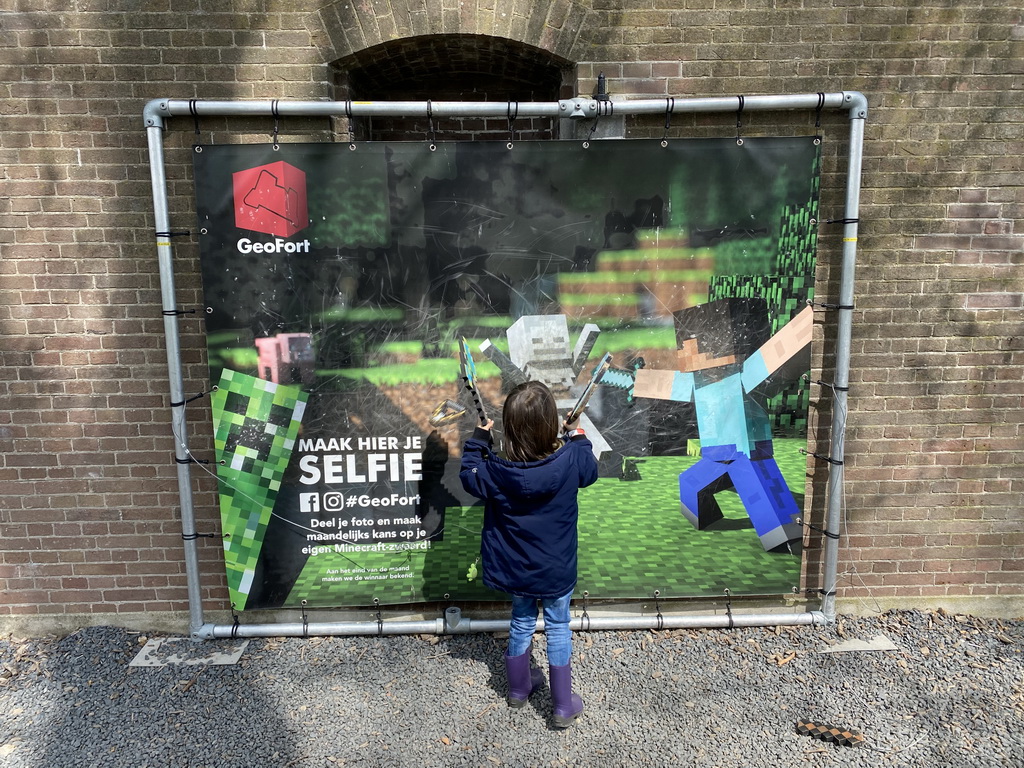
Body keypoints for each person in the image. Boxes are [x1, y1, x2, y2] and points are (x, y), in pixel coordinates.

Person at [460, 380, 599, 729]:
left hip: (516, 570)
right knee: (557, 625)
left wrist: (479, 440)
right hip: (556, 569)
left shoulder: (494, 471)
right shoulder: (570, 460)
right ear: (551, 422)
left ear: (509, 426)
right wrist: (576, 433)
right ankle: (563, 704)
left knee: (521, 620)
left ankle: (519, 689)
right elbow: (589, 468)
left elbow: (468, 474)